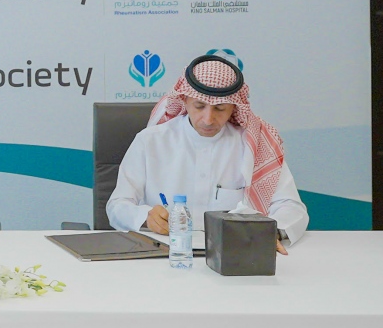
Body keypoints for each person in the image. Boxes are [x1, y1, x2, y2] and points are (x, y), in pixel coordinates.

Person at [107, 55, 308, 253]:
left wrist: (272, 231)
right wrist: (145, 217)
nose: (208, 119)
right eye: (199, 106)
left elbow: (291, 206)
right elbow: (117, 205)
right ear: (185, 100)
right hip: (166, 253)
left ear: (234, 107)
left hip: (235, 255)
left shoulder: (255, 145)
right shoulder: (151, 141)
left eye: (220, 109)